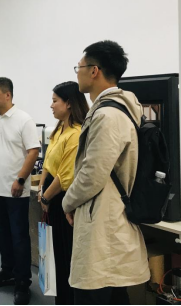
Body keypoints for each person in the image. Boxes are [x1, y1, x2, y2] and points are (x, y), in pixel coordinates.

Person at [63, 41, 150, 305]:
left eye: (79, 67)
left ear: (94, 70)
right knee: (112, 293)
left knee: (95, 292)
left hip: (104, 221)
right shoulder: (118, 110)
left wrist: (67, 202)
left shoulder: (107, 116)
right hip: (108, 216)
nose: (77, 73)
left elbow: (92, 174)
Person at [0, 78, 40, 306]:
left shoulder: (24, 120)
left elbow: (33, 151)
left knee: (19, 238)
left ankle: (23, 282)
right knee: (2, 235)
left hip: (15, 191)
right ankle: (7, 272)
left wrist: (20, 179)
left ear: (7, 95)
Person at [38, 81, 89, 305]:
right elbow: (48, 163)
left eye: (54, 101)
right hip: (49, 197)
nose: (51, 105)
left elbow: (65, 175)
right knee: (55, 255)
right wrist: (41, 188)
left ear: (68, 103)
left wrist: (46, 196)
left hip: (62, 201)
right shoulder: (59, 129)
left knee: (66, 256)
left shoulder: (76, 133)